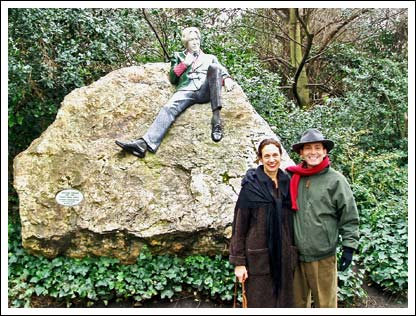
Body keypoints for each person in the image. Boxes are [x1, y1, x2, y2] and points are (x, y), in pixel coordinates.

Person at [115, 26, 234, 158]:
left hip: (205, 89)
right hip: (186, 89)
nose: (195, 42)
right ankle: (144, 144)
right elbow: (173, 78)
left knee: (215, 67)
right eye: (191, 40)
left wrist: (226, 78)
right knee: (168, 108)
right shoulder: (179, 56)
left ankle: (216, 121)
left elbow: (219, 71)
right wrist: (184, 64)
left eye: (196, 39)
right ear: (186, 43)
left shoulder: (210, 57)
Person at [285, 128, 360, 308]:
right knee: (296, 305)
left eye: (317, 147)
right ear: (301, 153)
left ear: (325, 151)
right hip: (296, 256)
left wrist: (349, 247)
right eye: (308, 148)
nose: (313, 152)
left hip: (323, 256)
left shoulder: (336, 181)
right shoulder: (291, 177)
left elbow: (349, 216)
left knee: (325, 305)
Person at [229, 138, 297, 308]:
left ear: (281, 156)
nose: (271, 160)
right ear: (260, 158)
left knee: (285, 304)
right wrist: (239, 263)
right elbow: (239, 226)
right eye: (267, 156)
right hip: (259, 258)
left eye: (275, 155)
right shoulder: (250, 186)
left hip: (284, 257)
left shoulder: (287, 183)